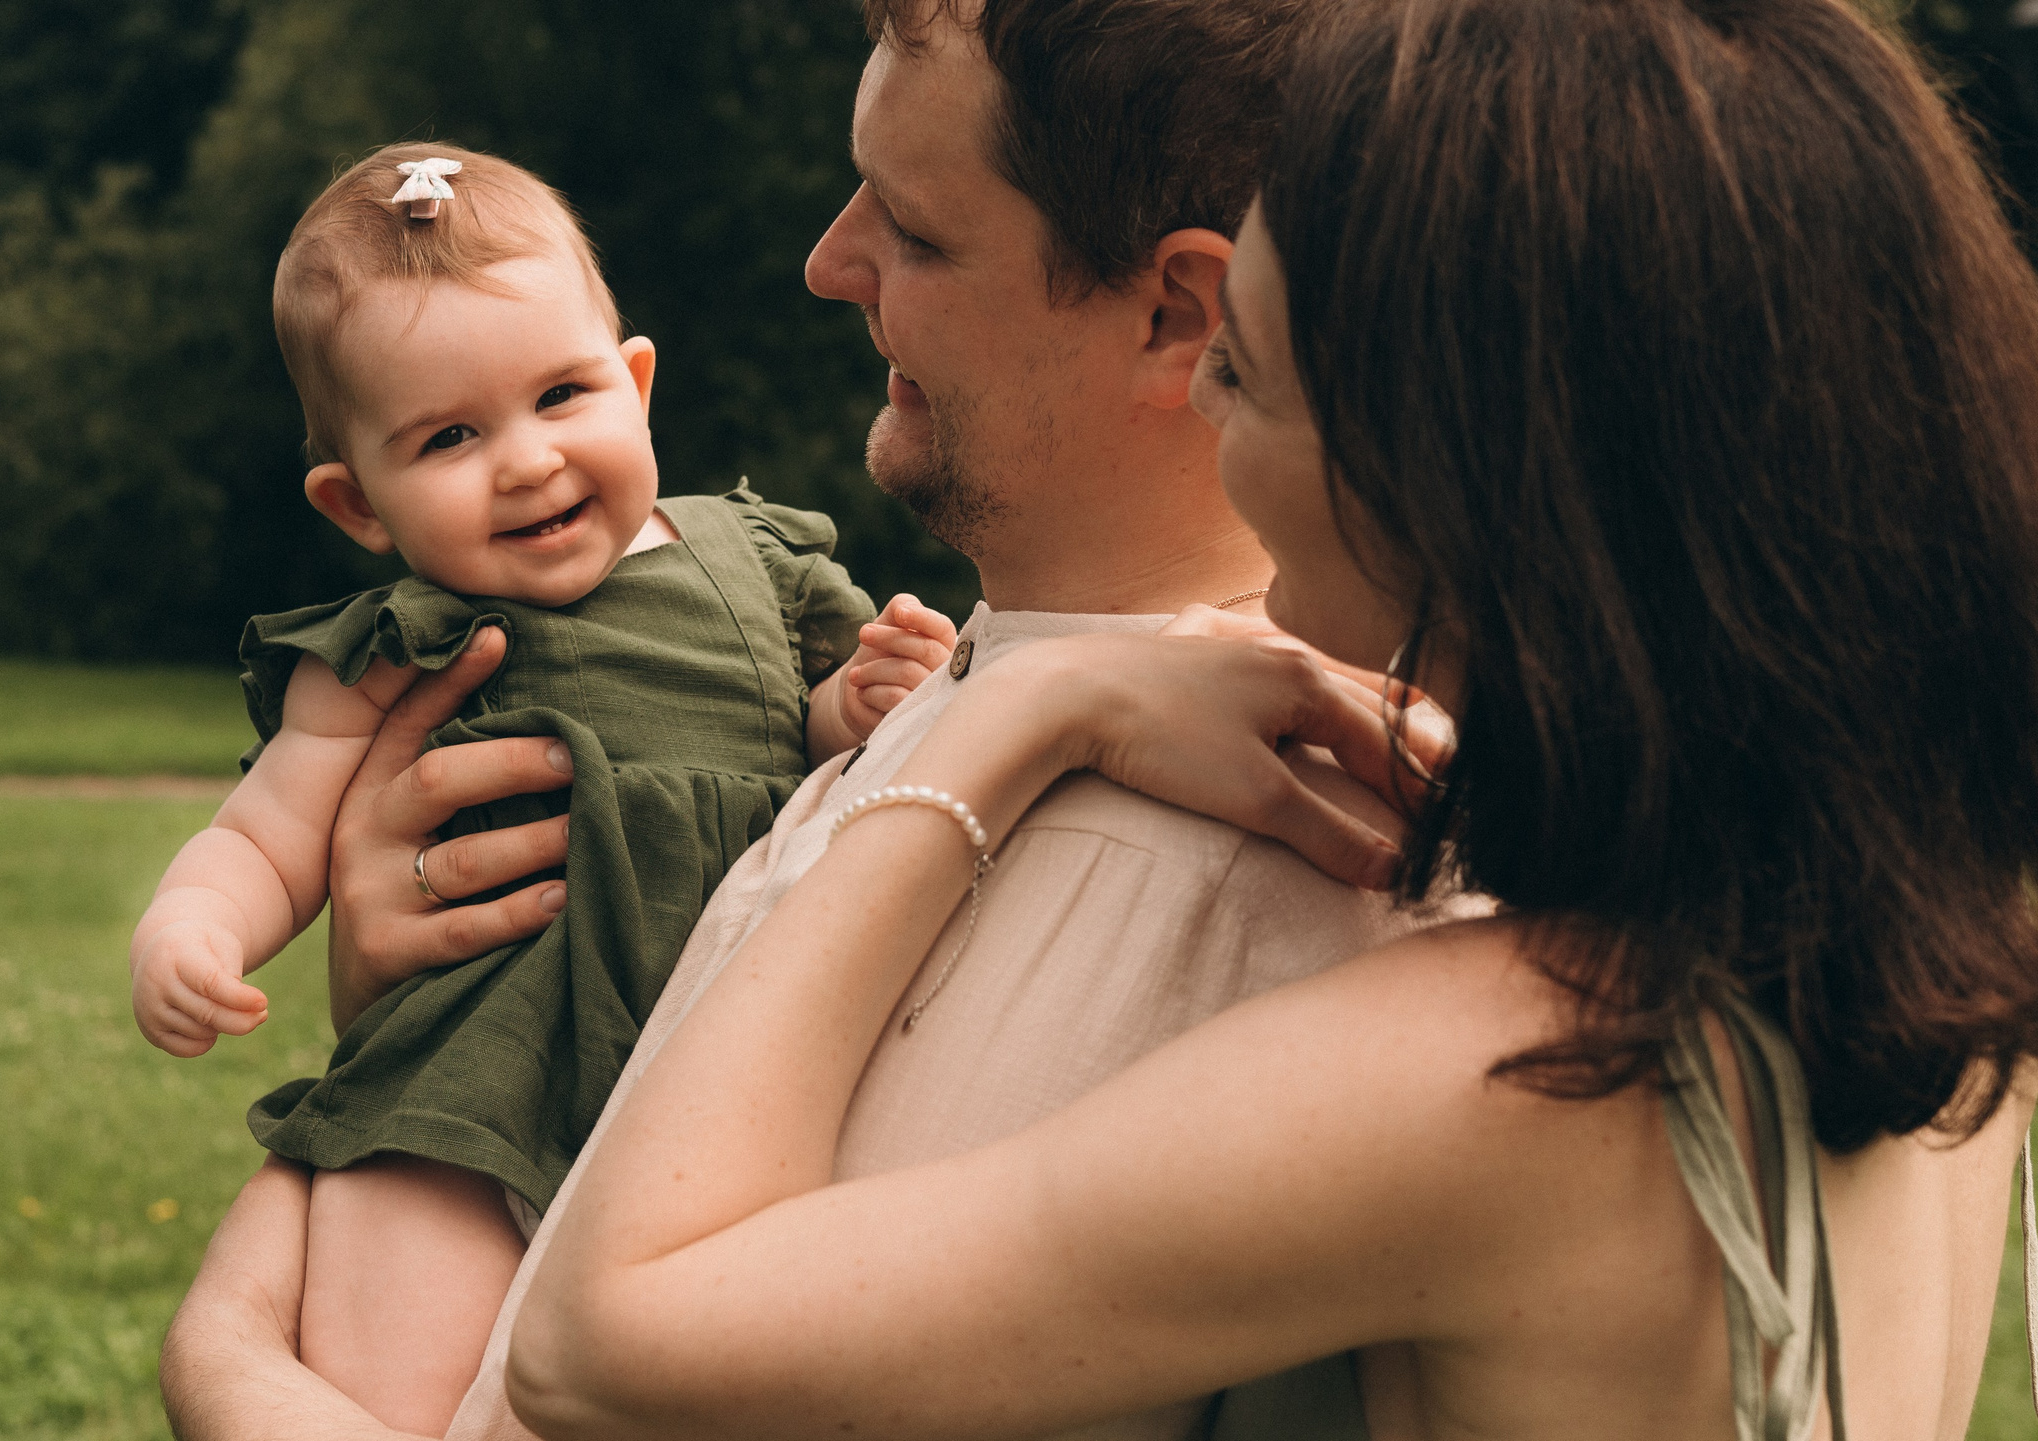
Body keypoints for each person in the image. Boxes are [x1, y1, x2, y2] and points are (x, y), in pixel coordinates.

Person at [506, 0, 2038, 1434]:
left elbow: (608, 1338)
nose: (1219, 426)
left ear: (1467, 478)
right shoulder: (1942, 952)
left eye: (1253, 369)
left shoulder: (1495, 1071)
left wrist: (1029, 709)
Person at [159, 3, 1476, 1438]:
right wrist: (410, 997)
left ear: (1175, 313)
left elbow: (608, 1374)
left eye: (914, 231)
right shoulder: (955, 685)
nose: (827, 262)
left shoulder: (1250, 855)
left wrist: (232, 1354)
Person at [125, 141, 959, 1435]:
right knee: (399, 1398)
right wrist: (193, 926)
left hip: (724, 1081)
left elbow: (822, 734)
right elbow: (270, 829)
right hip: (462, 1095)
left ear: (634, 382)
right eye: (450, 435)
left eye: (561, 395)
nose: (525, 460)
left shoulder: (759, 561)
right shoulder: (394, 646)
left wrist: (860, 703)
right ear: (359, 503)